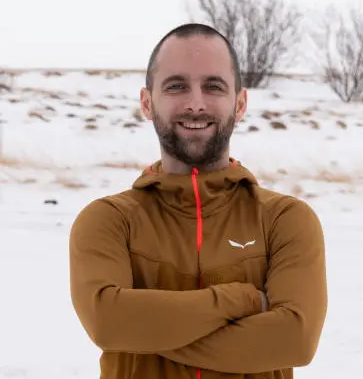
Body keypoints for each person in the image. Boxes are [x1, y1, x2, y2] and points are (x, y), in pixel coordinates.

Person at [69, 23, 328, 379]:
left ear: (240, 103)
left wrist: (143, 330)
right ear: (147, 102)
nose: (195, 104)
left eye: (213, 86)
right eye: (176, 86)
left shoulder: (284, 220)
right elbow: (108, 322)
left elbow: (294, 340)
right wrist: (244, 299)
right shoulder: (109, 221)